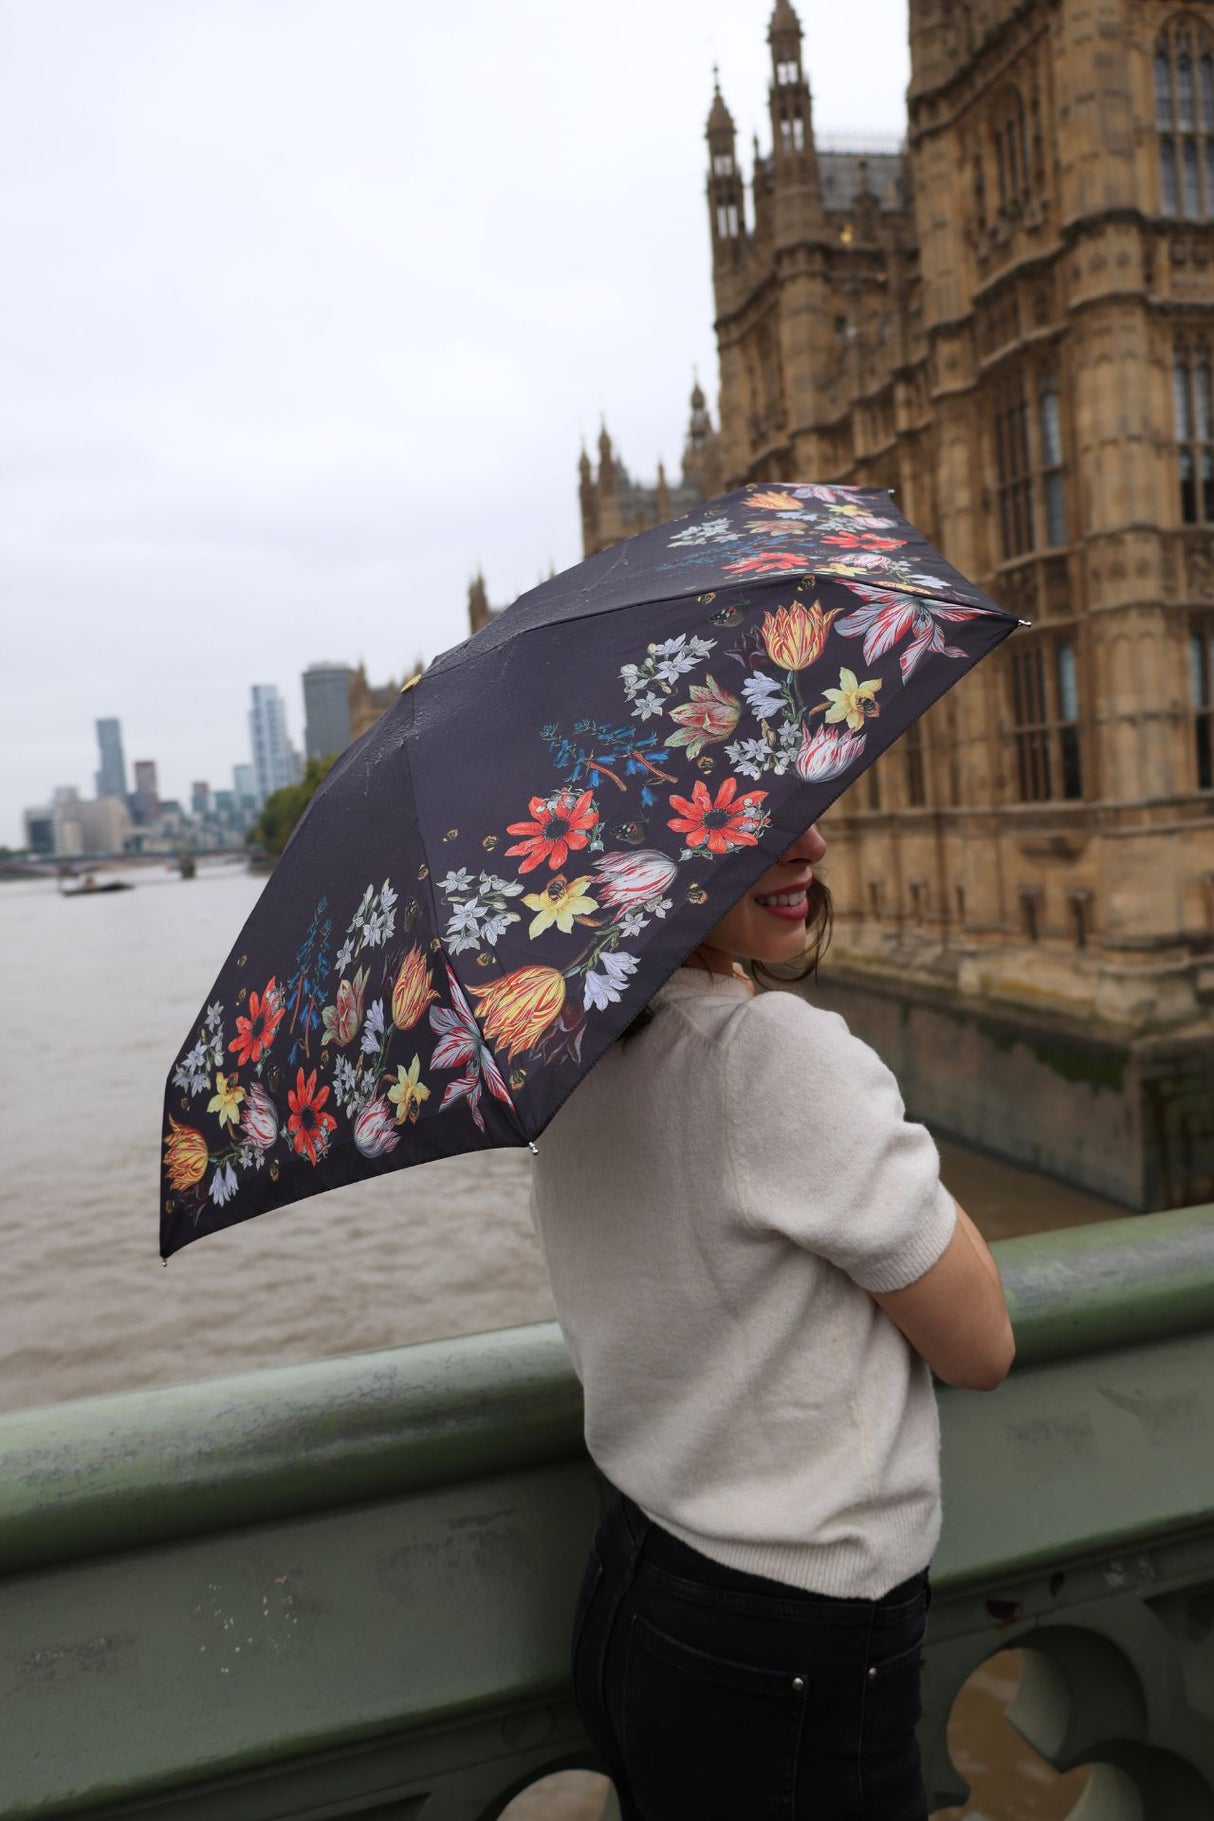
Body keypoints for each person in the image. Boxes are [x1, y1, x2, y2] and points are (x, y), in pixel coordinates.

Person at [529, 821, 1015, 1820]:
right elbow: (978, 1346)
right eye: (742, 823)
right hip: (793, 1637)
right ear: (643, 852)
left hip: (640, 1588)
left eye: (805, 803)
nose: (812, 843)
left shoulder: (567, 1058)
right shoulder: (774, 1056)